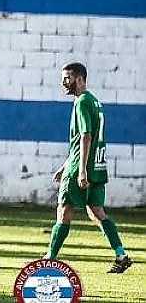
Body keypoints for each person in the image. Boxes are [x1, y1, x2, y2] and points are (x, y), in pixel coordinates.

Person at [43, 62, 132, 274]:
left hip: (81, 168)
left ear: (79, 79)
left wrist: (79, 169)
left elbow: (86, 136)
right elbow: (83, 139)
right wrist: (65, 165)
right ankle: (120, 254)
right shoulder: (95, 102)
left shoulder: (82, 102)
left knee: (63, 210)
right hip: (98, 167)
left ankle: (48, 258)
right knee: (96, 211)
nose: (63, 82)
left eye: (67, 78)